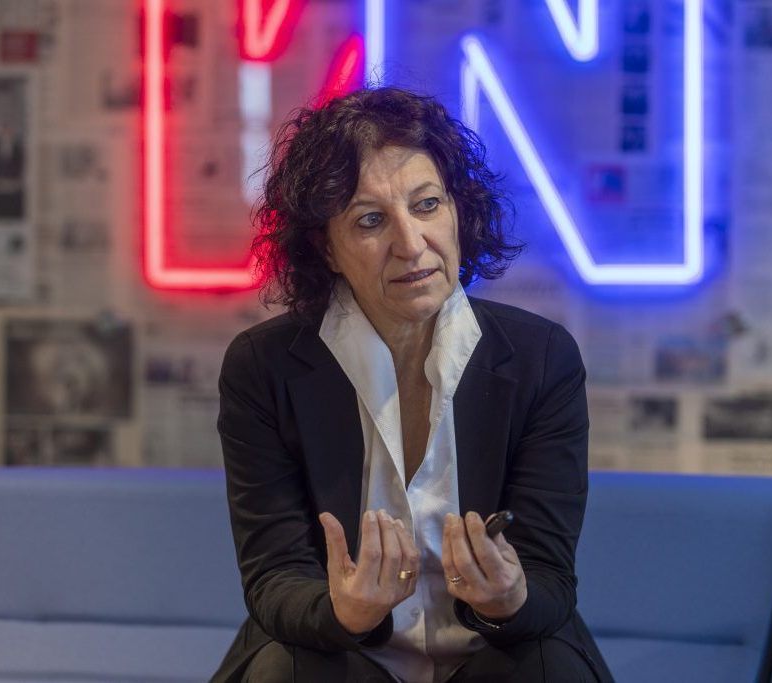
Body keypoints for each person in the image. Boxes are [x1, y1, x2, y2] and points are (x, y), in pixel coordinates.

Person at [212, 87, 612, 683]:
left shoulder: (542, 357)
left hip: (499, 655)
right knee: (285, 672)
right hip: (338, 653)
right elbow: (274, 579)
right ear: (327, 248)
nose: (411, 243)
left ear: (457, 211)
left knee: (549, 670)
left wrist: (508, 598)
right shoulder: (263, 366)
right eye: (371, 220)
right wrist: (346, 612)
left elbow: (551, 580)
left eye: (427, 205)